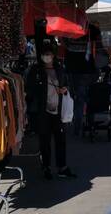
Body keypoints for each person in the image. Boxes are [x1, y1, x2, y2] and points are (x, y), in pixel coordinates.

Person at [28, 47, 77, 180]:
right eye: (44, 54)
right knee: (45, 141)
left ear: (53, 56)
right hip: (42, 111)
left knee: (61, 140)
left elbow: (68, 85)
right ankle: (46, 167)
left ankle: (62, 167)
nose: (46, 56)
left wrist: (65, 90)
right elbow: (30, 89)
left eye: (48, 54)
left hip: (58, 110)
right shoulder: (35, 70)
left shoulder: (60, 69)